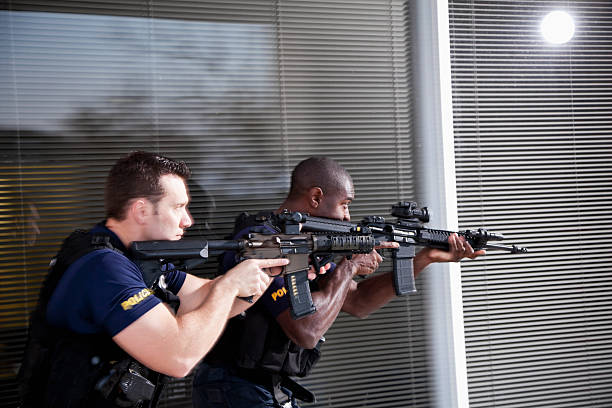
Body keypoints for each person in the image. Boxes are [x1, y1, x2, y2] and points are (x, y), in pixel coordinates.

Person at [192, 156, 485, 408]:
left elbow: (357, 302)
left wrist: (423, 259)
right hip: (236, 386)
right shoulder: (268, 241)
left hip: (266, 387)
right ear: (316, 197)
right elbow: (306, 330)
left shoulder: (311, 244)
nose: (348, 216)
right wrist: (350, 267)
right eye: (345, 205)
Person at [17, 151, 290, 408]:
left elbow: (203, 298)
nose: (188, 220)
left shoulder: (135, 259)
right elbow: (179, 357)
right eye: (179, 207)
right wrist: (230, 284)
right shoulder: (102, 267)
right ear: (142, 211)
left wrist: (267, 272)